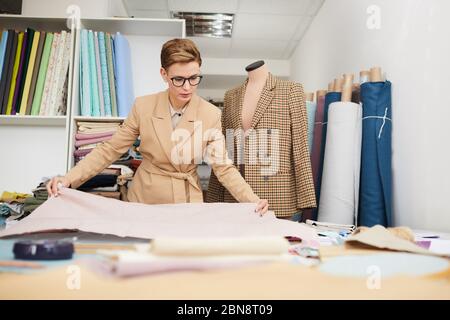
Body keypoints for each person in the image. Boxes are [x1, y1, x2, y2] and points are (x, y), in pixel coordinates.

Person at [46, 38, 268, 215]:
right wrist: (68, 179)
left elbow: (224, 168)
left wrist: (253, 200)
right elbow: (110, 150)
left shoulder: (210, 114)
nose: (187, 87)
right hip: (145, 198)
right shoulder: (143, 106)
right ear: (164, 74)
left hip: (186, 202)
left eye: (194, 78)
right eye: (178, 79)